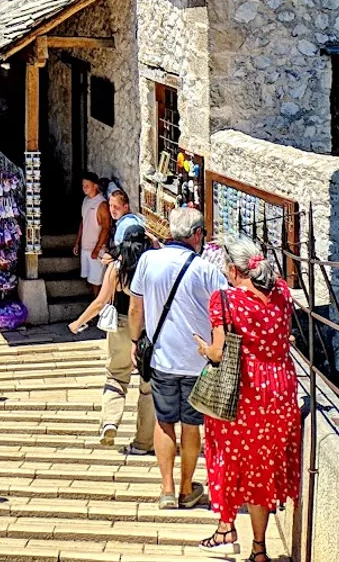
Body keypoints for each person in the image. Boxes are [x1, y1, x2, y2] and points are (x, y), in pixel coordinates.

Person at [193, 236, 300, 558]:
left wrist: (202, 347)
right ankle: (255, 545)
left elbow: (217, 351)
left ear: (231, 268)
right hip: (281, 388)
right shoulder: (281, 291)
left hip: (244, 391)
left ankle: (231, 529)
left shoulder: (224, 300)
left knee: (227, 457)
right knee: (263, 469)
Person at [129, 206, 226, 510]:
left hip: (162, 357)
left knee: (165, 421)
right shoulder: (208, 271)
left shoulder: (148, 261)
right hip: (199, 362)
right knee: (191, 425)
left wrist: (135, 341)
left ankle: (167, 489)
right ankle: (187, 488)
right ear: (197, 235)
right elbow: (224, 315)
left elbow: (135, 309)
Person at [69, 224, 155, 455]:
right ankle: (144, 442)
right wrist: (154, 241)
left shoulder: (117, 268)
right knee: (148, 387)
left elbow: (100, 302)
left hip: (121, 326)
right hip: (150, 329)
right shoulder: (153, 266)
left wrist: (78, 323)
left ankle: (110, 422)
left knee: (116, 377)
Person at [73, 172, 111, 286]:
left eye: (87, 186)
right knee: (88, 280)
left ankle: (98, 303)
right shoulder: (85, 201)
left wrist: (97, 249)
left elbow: (106, 228)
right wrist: (77, 243)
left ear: (95, 186)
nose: (84, 188)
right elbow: (83, 222)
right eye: (83, 186)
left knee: (96, 282)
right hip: (85, 248)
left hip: (95, 249)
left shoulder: (101, 204)